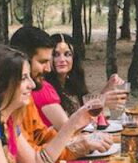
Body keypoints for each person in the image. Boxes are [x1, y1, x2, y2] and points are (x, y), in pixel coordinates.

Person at [8, 26, 111, 155]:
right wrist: (77, 143)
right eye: (54, 56)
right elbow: (33, 162)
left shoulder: (27, 98)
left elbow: (43, 136)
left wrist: (78, 141)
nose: (49, 68)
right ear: (22, 61)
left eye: (68, 54)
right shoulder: (38, 90)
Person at [39, 32, 129, 130]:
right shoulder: (44, 88)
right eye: (56, 55)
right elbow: (66, 128)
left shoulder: (71, 84)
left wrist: (107, 89)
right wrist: (101, 101)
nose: (62, 59)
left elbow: (86, 114)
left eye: (67, 54)